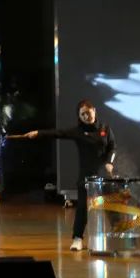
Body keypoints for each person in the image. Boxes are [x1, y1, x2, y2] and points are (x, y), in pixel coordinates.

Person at [22, 99, 116, 251]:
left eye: (88, 112)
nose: (86, 116)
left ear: (94, 110)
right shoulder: (78, 132)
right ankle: (77, 239)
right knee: (82, 209)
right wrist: (38, 133)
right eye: (82, 114)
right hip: (86, 176)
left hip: (104, 175)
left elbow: (112, 147)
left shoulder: (105, 128)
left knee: (112, 205)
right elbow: (58, 133)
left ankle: (121, 234)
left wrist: (109, 162)